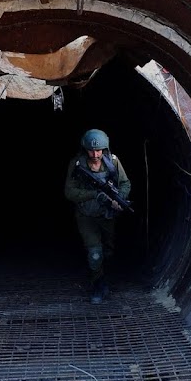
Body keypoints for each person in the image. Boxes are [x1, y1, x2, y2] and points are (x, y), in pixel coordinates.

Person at [64, 129, 131, 304]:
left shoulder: (113, 162)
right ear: (85, 149)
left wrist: (119, 199)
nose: (95, 154)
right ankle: (98, 285)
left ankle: (104, 276)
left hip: (107, 215)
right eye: (92, 150)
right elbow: (69, 192)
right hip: (86, 216)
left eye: (99, 150)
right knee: (95, 253)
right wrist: (94, 194)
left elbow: (125, 183)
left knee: (108, 251)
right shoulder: (77, 164)